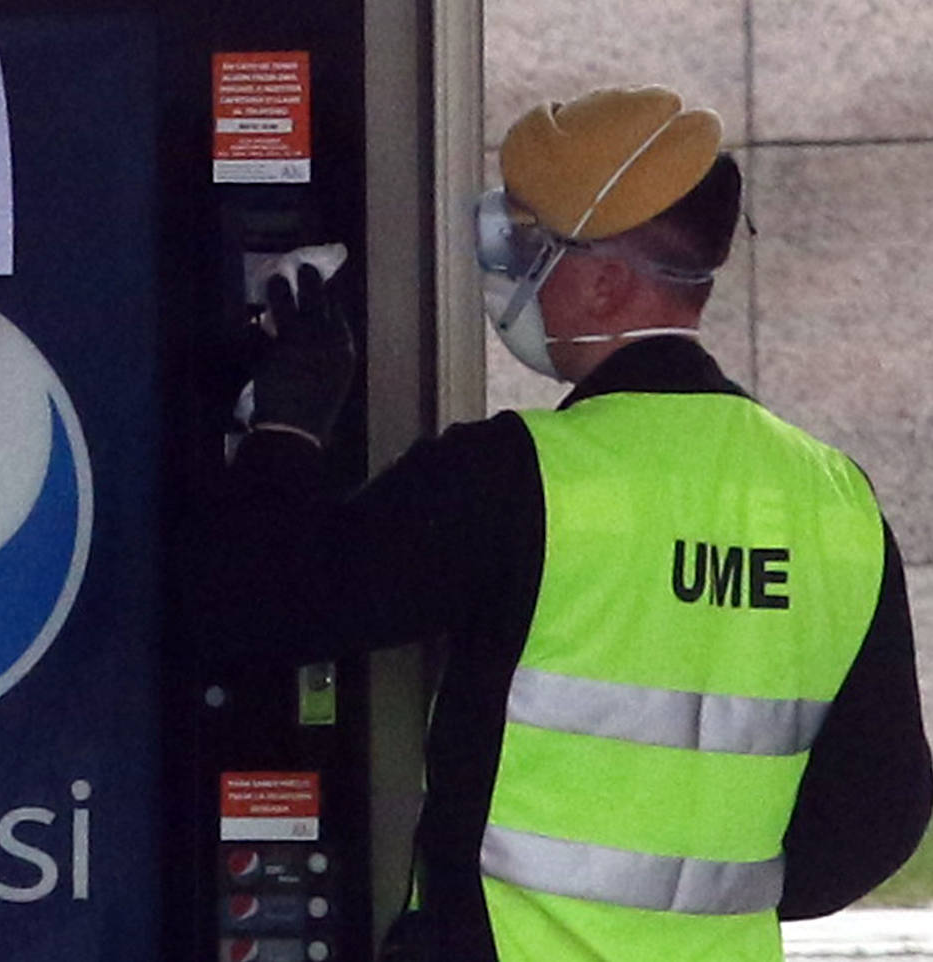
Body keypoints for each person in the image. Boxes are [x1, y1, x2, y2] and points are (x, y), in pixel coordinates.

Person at [191, 85, 932, 961]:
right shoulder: (833, 498)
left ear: (608, 281)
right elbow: (880, 813)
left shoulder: (512, 477)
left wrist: (285, 425)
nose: (509, 274)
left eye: (526, 245)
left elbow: (254, 603)